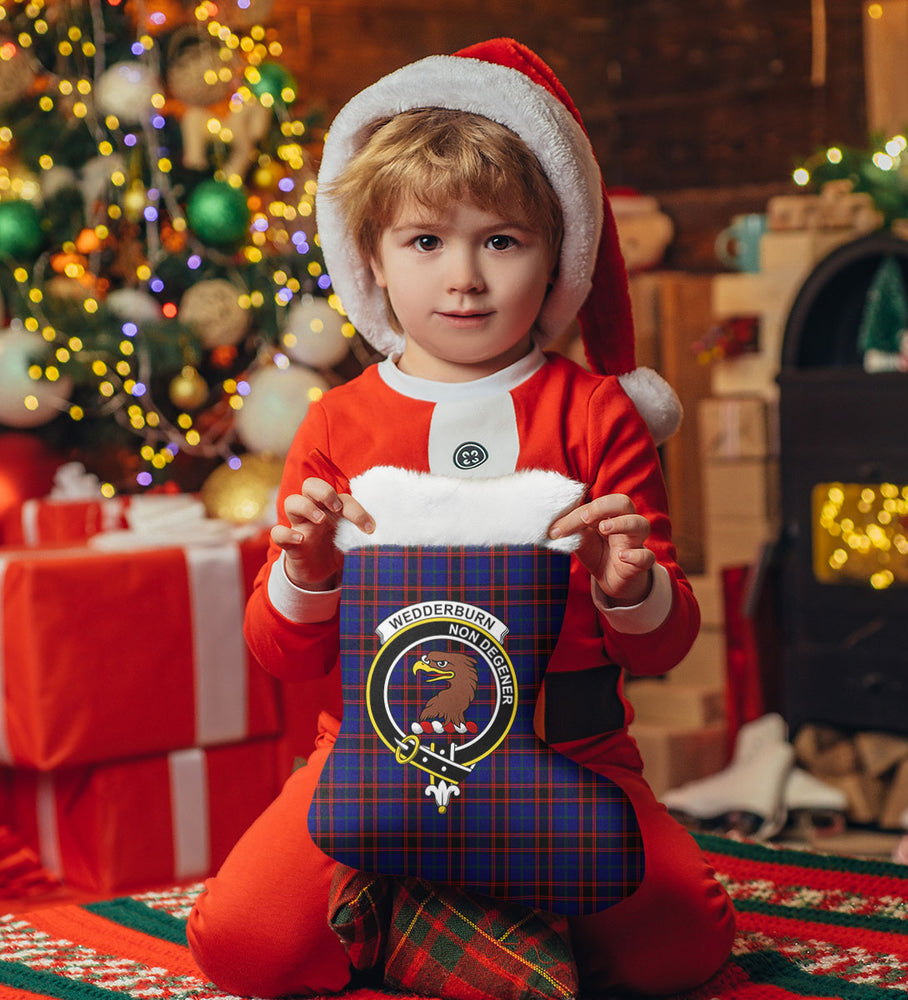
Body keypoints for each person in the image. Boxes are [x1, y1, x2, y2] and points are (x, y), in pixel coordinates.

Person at [187, 37, 735, 998]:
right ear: (371, 256)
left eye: (502, 241)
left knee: (681, 948)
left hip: (571, 753)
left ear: (556, 255)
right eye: (426, 242)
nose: (465, 278)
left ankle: (433, 907)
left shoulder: (596, 415)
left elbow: (663, 647)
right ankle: (463, 910)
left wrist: (631, 587)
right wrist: (307, 574)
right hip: (372, 757)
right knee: (244, 946)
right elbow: (282, 654)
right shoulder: (338, 421)